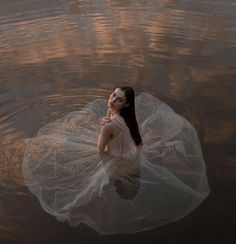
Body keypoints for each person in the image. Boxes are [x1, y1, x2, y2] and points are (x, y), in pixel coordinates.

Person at [22, 87, 210, 234]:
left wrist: (106, 131)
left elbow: (100, 149)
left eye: (118, 99)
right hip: (134, 151)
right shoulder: (129, 115)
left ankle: (136, 180)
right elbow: (114, 122)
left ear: (126, 104)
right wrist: (110, 119)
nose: (112, 100)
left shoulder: (110, 125)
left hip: (122, 159)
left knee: (79, 171)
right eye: (113, 95)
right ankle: (144, 180)